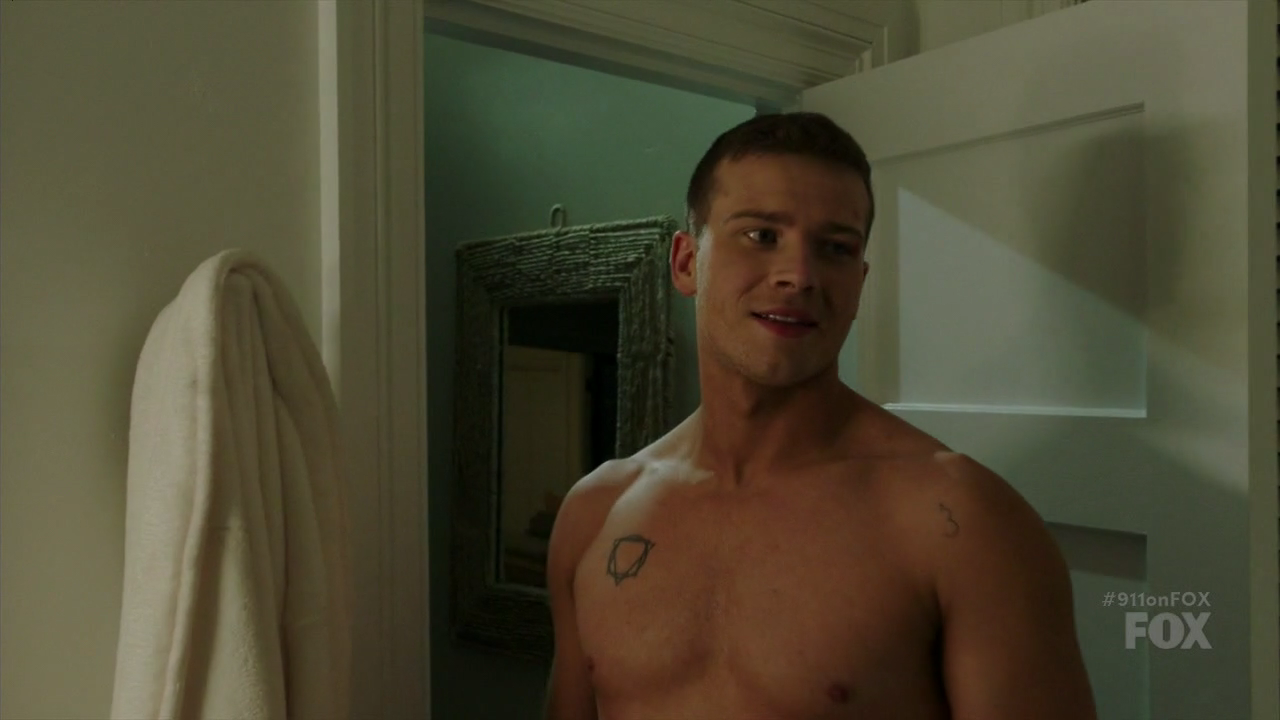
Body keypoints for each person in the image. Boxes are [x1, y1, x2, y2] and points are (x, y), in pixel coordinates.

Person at [542, 112, 1097, 720]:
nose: (799, 276)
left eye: (835, 248)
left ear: (859, 282)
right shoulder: (594, 514)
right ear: (686, 262)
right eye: (761, 235)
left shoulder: (958, 520)